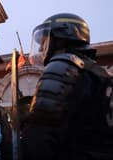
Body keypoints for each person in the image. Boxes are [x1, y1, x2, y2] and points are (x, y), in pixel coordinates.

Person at [22, 13, 113, 160]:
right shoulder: (100, 74)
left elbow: (39, 137)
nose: (40, 49)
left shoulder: (63, 65)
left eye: (44, 41)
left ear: (61, 36)